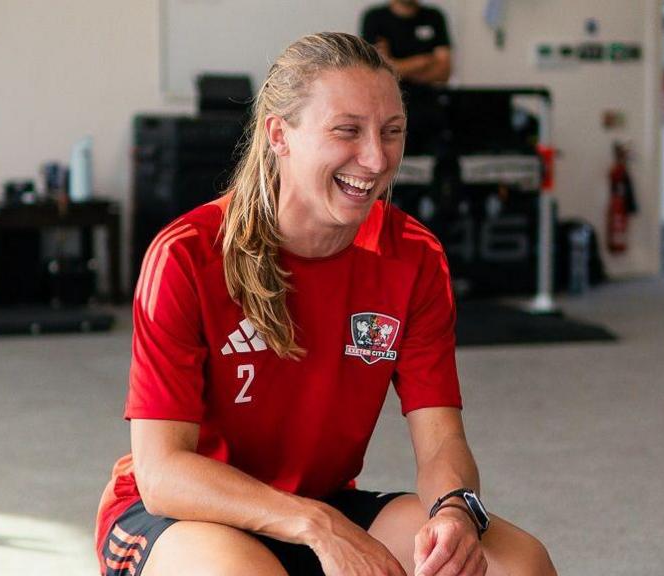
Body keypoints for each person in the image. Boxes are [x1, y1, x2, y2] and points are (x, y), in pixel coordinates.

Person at [95, 32, 555, 576]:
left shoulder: (413, 257)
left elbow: (441, 442)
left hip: (320, 501)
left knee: (518, 564)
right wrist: (318, 526)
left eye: (392, 132)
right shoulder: (186, 255)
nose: (376, 158)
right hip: (184, 512)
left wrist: (454, 511)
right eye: (347, 131)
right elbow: (163, 473)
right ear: (279, 135)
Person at [361, 0, 452, 86]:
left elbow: (444, 72)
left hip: (428, 94)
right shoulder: (374, 18)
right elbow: (374, 70)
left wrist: (395, 66)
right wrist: (421, 62)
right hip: (388, 92)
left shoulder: (434, 17)